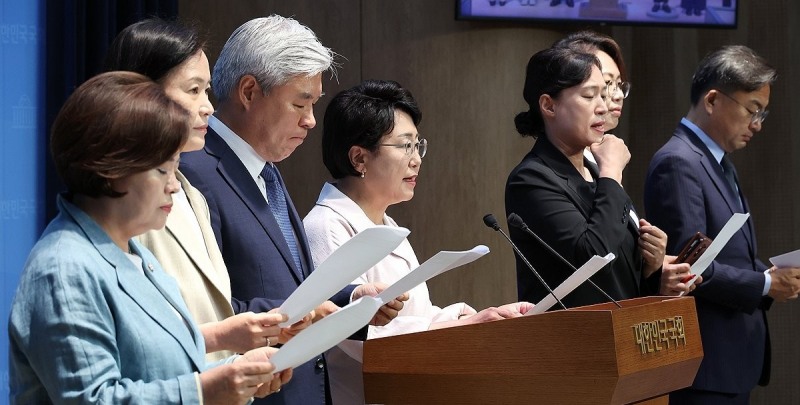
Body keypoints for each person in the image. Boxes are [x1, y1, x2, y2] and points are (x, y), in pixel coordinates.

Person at [8, 71, 291, 404]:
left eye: (175, 168)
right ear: (110, 169)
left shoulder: (133, 252)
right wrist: (207, 390)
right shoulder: (64, 270)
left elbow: (159, 366)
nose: (174, 185)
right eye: (162, 170)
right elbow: (94, 399)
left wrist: (236, 370)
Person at [179, 16, 406, 405]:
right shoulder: (193, 171)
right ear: (249, 91)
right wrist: (302, 314)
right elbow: (201, 307)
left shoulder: (266, 169)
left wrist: (353, 301)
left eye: (314, 104)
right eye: (300, 102)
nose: (311, 119)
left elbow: (294, 285)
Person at [303, 79, 534, 404]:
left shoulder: (388, 226)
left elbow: (418, 318)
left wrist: (478, 320)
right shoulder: (325, 226)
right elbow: (361, 338)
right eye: (404, 146)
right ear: (359, 158)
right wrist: (463, 326)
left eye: (418, 146)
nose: (416, 159)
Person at [104, 18, 309, 363]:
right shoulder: (120, 202)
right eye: (193, 89)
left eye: (207, 90)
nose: (208, 106)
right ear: (141, 94)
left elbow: (214, 307)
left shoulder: (190, 194)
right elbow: (134, 336)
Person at [644, 45, 800, 404]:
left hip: (728, 362)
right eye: (752, 110)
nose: (757, 125)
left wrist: (770, 272)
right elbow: (689, 267)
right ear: (713, 100)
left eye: (762, 113)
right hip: (704, 369)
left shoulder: (715, 161)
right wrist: (763, 283)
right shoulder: (678, 162)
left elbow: (724, 254)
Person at [505, 47, 695, 308]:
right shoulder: (531, 179)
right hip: (573, 339)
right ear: (549, 105)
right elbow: (593, 258)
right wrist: (612, 173)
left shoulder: (596, 173)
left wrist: (650, 264)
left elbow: (620, 278)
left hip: (623, 333)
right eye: (589, 96)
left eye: (603, 95)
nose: (603, 107)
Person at [552, 30, 631, 164]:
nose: (619, 95)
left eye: (619, 84)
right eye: (607, 83)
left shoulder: (599, 157)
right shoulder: (540, 171)